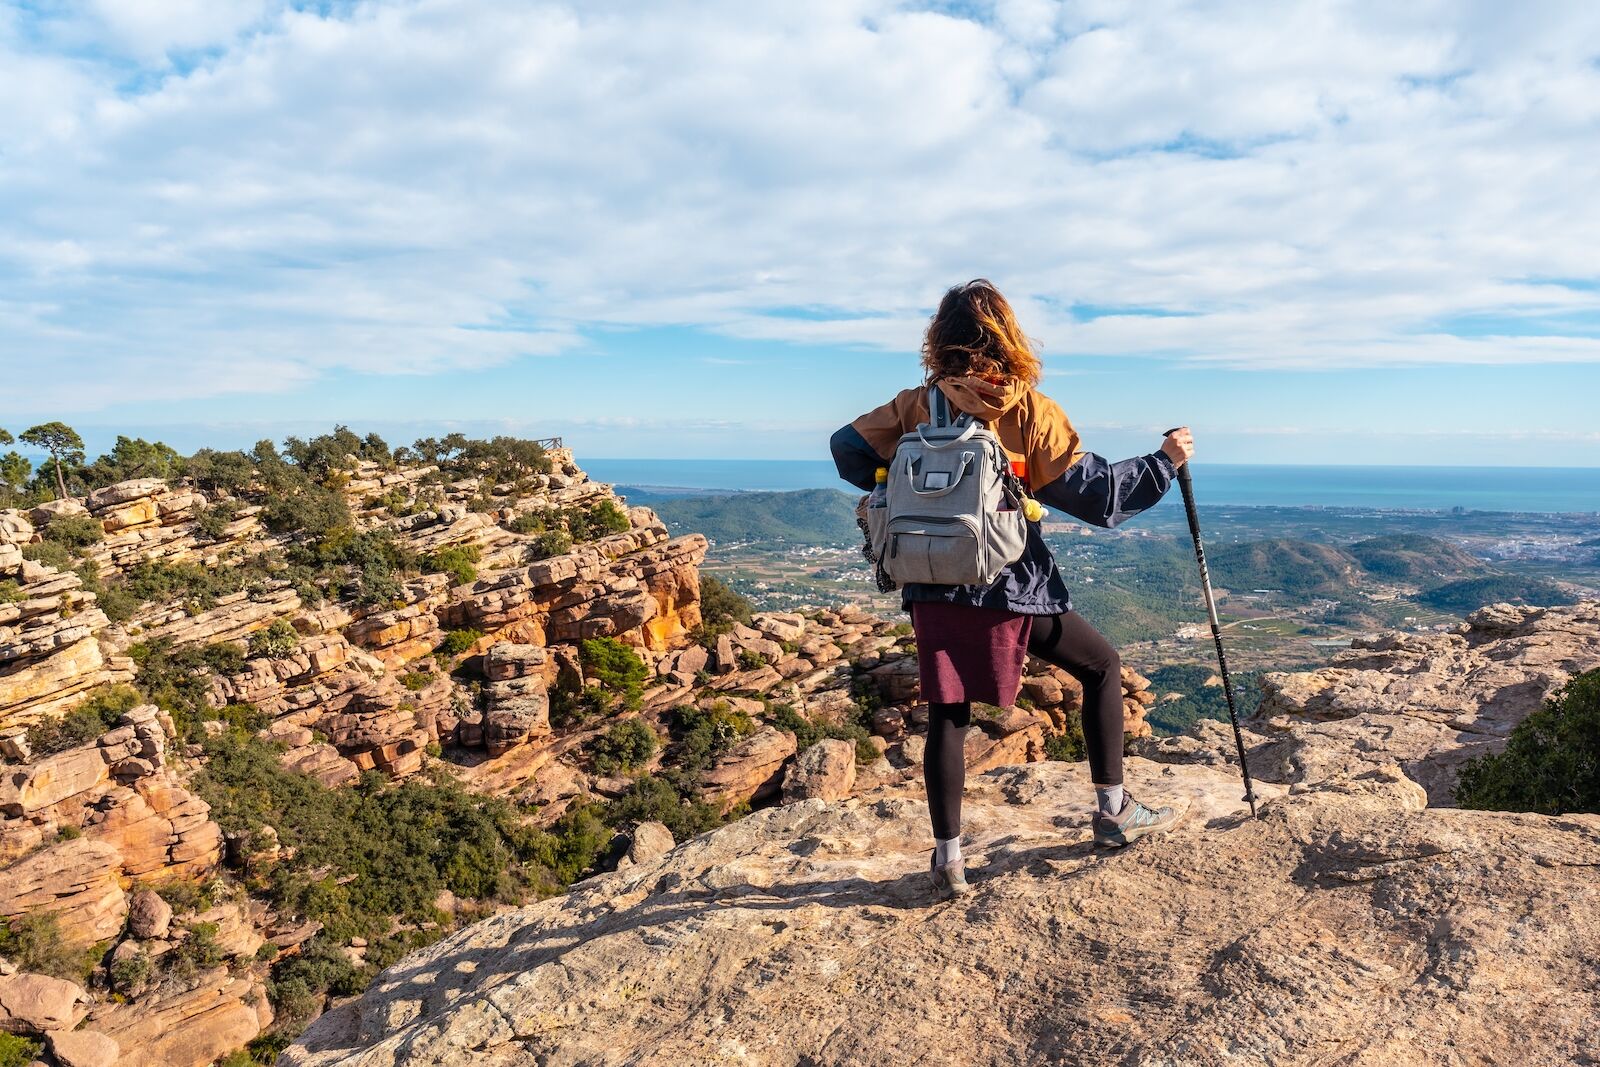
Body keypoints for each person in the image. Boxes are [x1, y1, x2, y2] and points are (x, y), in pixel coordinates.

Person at [829, 279, 1195, 899]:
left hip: (930, 579)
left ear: (939, 341)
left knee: (949, 712)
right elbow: (1099, 496)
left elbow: (846, 451)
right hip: (1008, 580)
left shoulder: (914, 406)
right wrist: (1165, 460)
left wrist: (903, 482)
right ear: (1009, 337)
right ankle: (1114, 811)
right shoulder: (1025, 409)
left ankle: (948, 857)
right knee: (1102, 667)